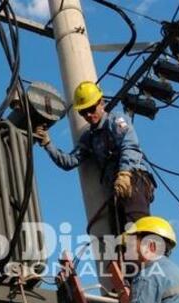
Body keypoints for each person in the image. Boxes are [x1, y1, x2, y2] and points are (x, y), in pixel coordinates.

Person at [33, 81, 156, 230]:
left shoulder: (116, 120)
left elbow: (130, 146)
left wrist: (124, 173)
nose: (89, 115)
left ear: (101, 102)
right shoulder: (89, 137)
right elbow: (69, 162)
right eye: (83, 112)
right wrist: (48, 144)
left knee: (139, 230)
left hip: (133, 180)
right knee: (120, 243)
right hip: (115, 191)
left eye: (91, 109)